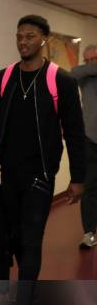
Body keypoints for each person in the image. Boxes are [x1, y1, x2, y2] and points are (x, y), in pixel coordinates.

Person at [0, 15, 85, 305]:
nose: (24, 42)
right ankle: (26, 290)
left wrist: (78, 178)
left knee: (31, 238)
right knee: (11, 239)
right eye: (19, 37)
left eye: (30, 37)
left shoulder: (60, 82)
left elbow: (75, 134)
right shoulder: (4, 77)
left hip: (40, 175)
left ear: (44, 40)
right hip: (7, 173)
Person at [70, 44, 97, 248]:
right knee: (89, 189)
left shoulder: (84, 74)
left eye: (93, 59)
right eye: (86, 60)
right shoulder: (83, 77)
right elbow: (72, 73)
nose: (89, 65)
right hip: (90, 140)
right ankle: (89, 233)